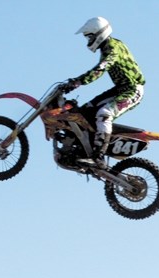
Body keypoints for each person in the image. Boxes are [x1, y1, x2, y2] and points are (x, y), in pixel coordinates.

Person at [61, 16, 145, 167]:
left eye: (89, 36)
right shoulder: (108, 47)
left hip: (133, 90)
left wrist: (78, 81)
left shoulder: (113, 48)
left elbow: (100, 69)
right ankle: (83, 149)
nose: (88, 40)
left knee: (104, 114)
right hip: (120, 89)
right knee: (84, 112)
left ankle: (97, 157)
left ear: (97, 33)